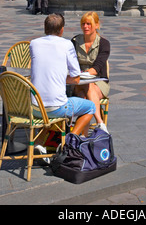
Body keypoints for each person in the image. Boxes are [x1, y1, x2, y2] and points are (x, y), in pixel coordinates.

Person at [30, 14, 96, 161]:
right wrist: (61, 78)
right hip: (57, 107)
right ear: (62, 30)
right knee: (90, 107)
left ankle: (39, 143)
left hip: (34, 108)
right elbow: (76, 77)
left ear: (45, 28)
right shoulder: (66, 45)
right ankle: (70, 141)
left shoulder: (34, 43)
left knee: (46, 108)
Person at [71, 12, 110, 134]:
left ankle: (83, 134)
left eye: (89, 24)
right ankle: (99, 123)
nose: (86, 27)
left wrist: (85, 74)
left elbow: (97, 67)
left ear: (97, 25)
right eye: (83, 24)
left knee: (89, 88)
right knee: (86, 92)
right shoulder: (74, 41)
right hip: (77, 81)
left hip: (98, 81)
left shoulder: (104, 43)